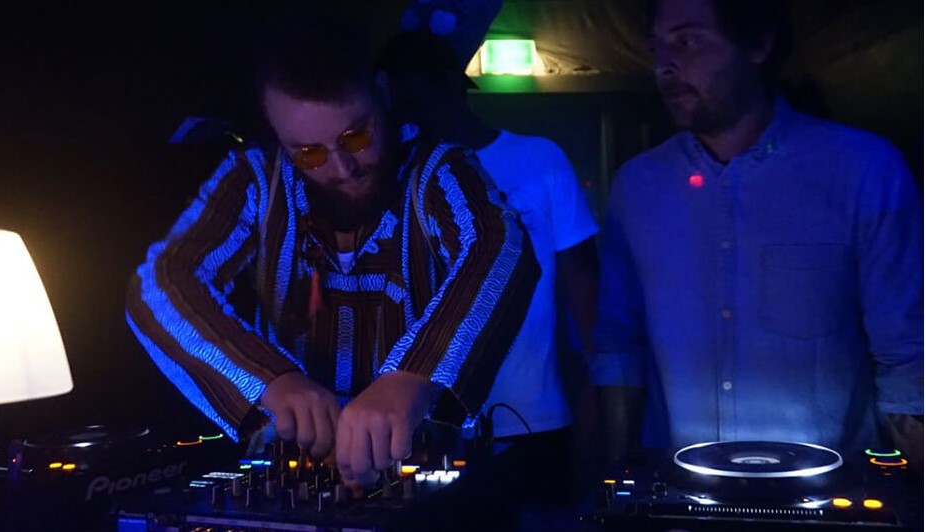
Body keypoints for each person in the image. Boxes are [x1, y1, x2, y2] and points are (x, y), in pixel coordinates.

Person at [125, 16, 539, 488]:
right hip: (292, 461)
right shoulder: (258, 177)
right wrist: (271, 380)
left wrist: (410, 379)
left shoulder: (436, 169)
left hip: (420, 455)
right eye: (310, 154)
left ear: (382, 93)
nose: (341, 168)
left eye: (355, 137)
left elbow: (499, 245)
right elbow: (161, 282)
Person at [591, 0, 923, 468]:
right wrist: (613, 482)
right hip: (682, 488)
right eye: (656, 46)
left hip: (827, 487)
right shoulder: (637, 187)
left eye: (687, 41)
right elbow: (618, 345)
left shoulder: (863, 170)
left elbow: (907, 353)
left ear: (758, 44)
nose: (665, 64)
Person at [375, 31, 600, 529]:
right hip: (425, 422)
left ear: (452, 87)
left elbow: (584, 284)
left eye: (415, 100)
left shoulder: (540, 160)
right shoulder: (395, 176)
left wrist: (596, 389)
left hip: (535, 418)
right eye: (396, 105)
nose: (407, 117)